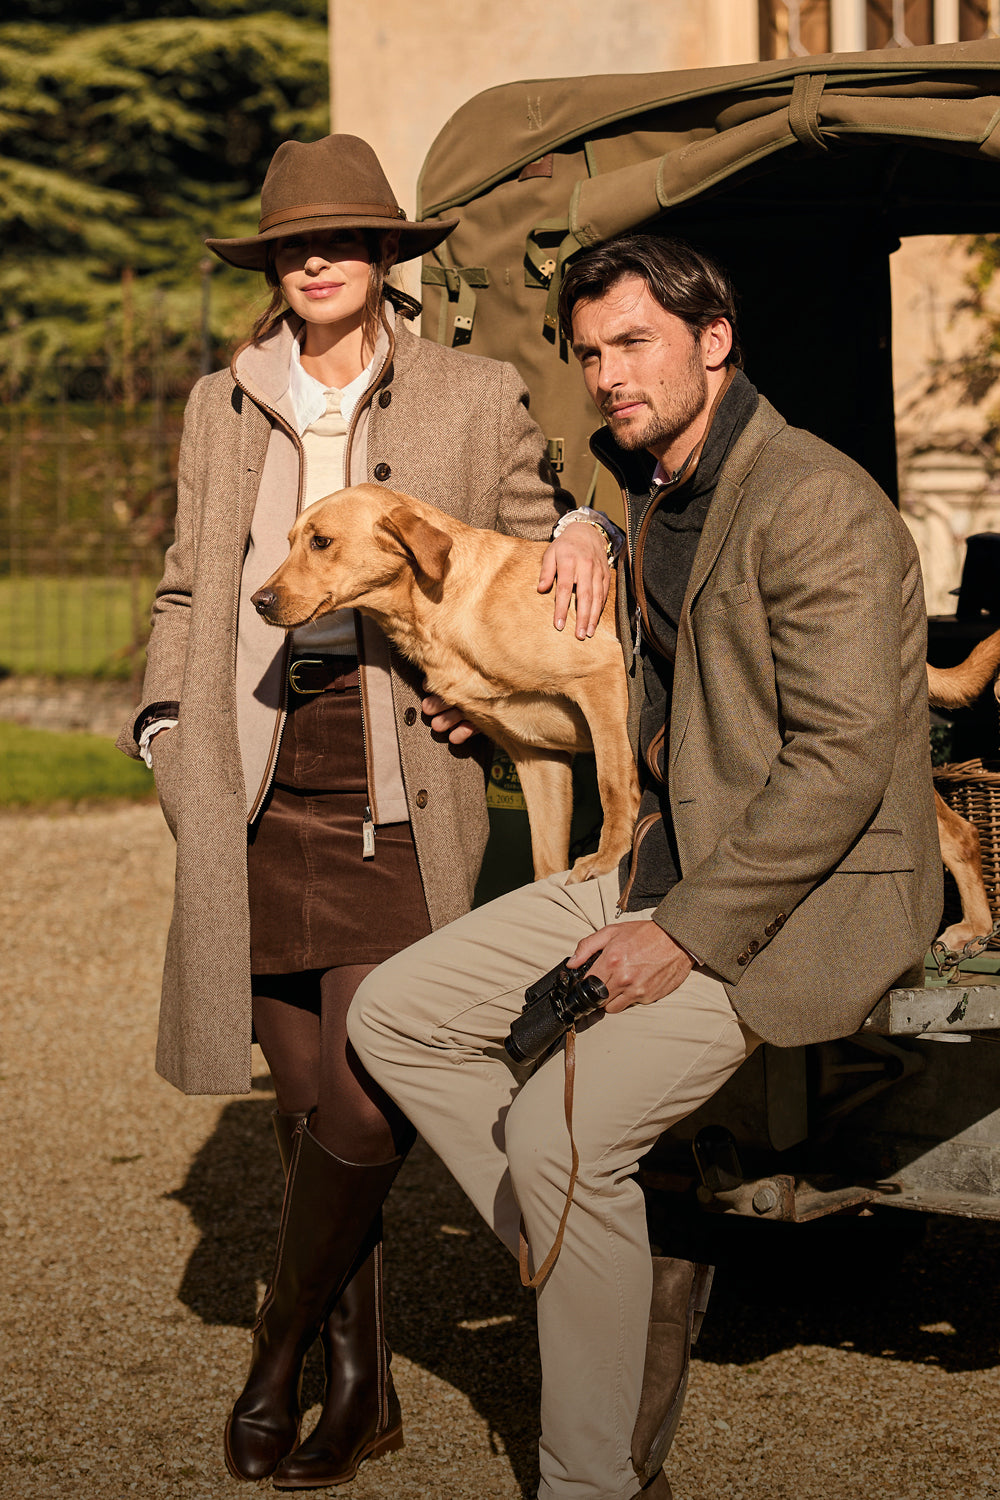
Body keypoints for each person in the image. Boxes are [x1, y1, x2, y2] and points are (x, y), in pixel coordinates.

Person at [348, 233, 942, 1500]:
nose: (606, 374)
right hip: (657, 855)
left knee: (559, 1140)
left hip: (794, 897)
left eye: (635, 344)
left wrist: (679, 930)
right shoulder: (654, 491)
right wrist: (560, 577)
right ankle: (576, 1248)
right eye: (589, 351)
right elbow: (639, 685)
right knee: (395, 1014)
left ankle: (591, 1482)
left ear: (713, 340)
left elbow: (841, 760)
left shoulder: (813, 500)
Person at [117, 133, 614, 1488]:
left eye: (343, 238)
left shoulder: (470, 390)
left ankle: (276, 1352)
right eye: (293, 243)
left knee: (370, 1089)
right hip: (255, 774)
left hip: (405, 780)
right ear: (274, 265)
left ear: (387, 254)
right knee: (300, 1103)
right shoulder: (223, 402)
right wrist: (166, 725)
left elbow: (529, 535)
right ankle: (361, 1382)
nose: (318, 258)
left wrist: (587, 530)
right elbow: (186, 586)